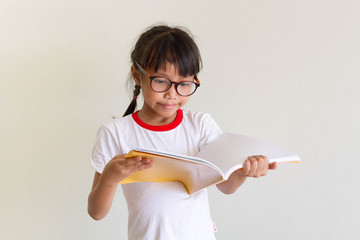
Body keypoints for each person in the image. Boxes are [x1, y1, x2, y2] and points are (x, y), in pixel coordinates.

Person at [88, 24, 277, 240]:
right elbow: (96, 212)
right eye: (161, 81)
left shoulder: (200, 125)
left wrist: (243, 172)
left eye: (184, 84)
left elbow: (226, 186)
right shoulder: (115, 133)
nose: (172, 94)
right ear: (137, 75)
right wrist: (110, 179)